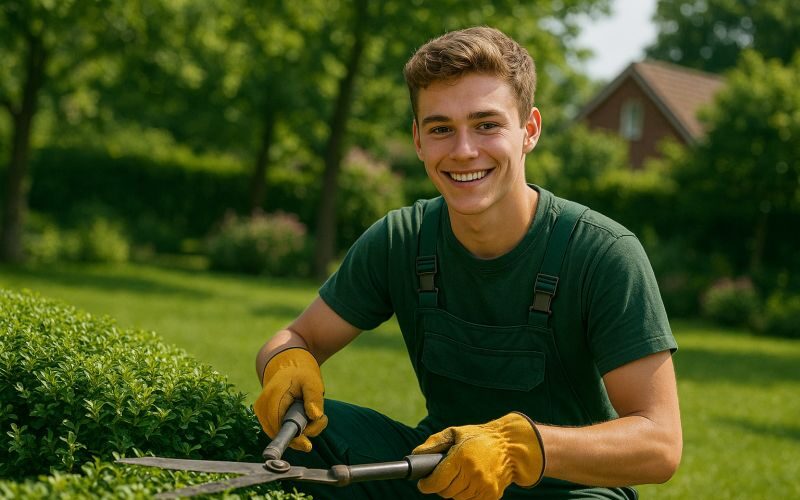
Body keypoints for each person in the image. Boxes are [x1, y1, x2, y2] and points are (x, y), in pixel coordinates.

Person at [254, 26, 682, 500]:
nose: (463, 151)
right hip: (440, 475)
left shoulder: (602, 253)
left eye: (487, 125)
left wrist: (520, 447)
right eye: (441, 129)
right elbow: (299, 336)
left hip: (569, 491)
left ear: (530, 131)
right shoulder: (402, 240)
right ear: (418, 140)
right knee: (300, 443)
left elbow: (660, 443)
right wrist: (285, 360)